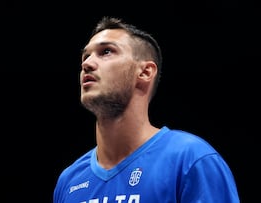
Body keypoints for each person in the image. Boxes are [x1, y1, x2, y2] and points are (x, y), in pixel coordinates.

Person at [53, 16, 240, 203]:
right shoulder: (69, 181)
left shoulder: (191, 160)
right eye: (86, 56)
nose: (87, 64)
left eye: (106, 51)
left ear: (145, 72)